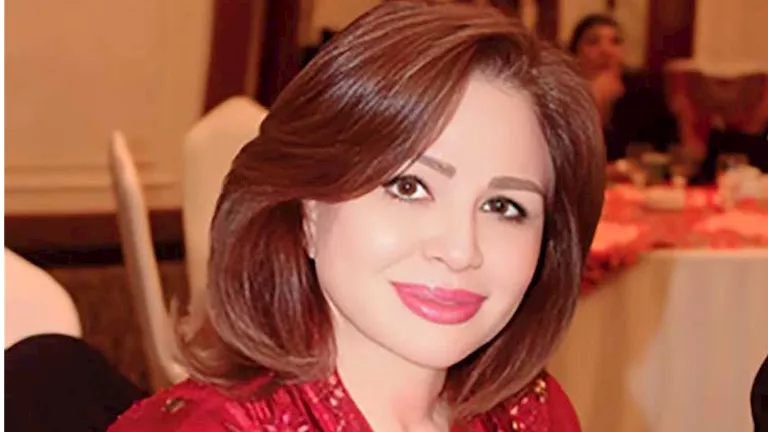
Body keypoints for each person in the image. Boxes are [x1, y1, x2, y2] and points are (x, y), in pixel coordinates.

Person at [110, 1, 605, 430]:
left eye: (504, 207)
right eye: (408, 187)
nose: (460, 250)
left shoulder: (531, 412)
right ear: (307, 207)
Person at [569, 14, 678, 162]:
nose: (606, 51)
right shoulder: (564, 95)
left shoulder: (644, 91)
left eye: (616, 42)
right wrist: (596, 107)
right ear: (575, 53)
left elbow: (667, 148)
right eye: (593, 42)